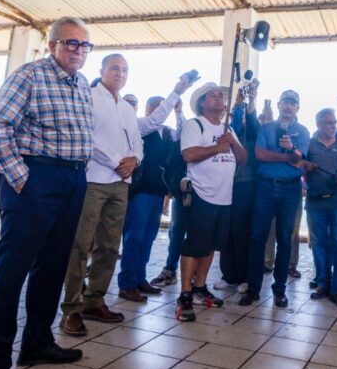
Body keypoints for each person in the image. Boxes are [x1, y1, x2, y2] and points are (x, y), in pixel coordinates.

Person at [0, 17, 94, 369]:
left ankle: (37, 343)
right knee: (11, 271)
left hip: (73, 178)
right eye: (70, 43)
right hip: (36, 176)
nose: (78, 50)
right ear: (52, 44)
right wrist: (23, 179)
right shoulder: (29, 75)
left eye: (84, 45)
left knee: (53, 265)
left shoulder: (82, 85)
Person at [60, 54, 141, 335]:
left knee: (109, 245)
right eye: (114, 68)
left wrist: (135, 161)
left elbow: (137, 141)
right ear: (102, 71)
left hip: (122, 183)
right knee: (80, 245)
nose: (120, 73)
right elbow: (86, 138)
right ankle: (71, 307)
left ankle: (95, 300)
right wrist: (118, 162)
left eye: (125, 69)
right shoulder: (89, 97)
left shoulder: (128, 108)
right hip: (94, 179)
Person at [175, 83, 247, 321]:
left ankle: (200, 288)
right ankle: (185, 294)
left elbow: (243, 158)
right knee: (194, 244)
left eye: (220, 96)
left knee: (211, 246)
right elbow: (189, 155)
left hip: (224, 197)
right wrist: (217, 147)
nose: (219, 98)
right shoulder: (195, 125)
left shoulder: (228, 128)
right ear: (202, 103)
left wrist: (232, 142)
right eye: (213, 96)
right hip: (201, 194)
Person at [117, 75, 193, 300]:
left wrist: (179, 111)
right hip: (140, 191)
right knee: (134, 236)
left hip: (159, 192)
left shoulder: (168, 132)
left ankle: (140, 278)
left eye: (161, 107)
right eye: (154, 107)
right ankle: (127, 282)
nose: (158, 111)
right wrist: (176, 91)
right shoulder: (139, 127)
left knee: (148, 237)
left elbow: (183, 134)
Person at [239, 90, 310, 308]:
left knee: (285, 239)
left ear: (298, 108)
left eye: (293, 103)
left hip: (290, 190)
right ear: (278, 105)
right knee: (258, 238)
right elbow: (260, 154)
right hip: (265, 187)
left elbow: (300, 161)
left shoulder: (303, 131)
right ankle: (253, 289)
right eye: (285, 102)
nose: (288, 106)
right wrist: (287, 157)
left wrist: (292, 151)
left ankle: (279, 290)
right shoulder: (267, 128)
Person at [303, 108, 337, 309]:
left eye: (334, 122)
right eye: (328, 123)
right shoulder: (308, 143)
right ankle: (323, 283)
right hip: (315, 202)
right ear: (318, 124)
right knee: (318, 244)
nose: (333, 126)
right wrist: (304, 164)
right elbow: (298, 164)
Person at [215, 81, 261, 290]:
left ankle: (244, 277)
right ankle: (229, 276)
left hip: (245, 186)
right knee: (226, 231)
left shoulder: (252, 133)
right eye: (236, 112)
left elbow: (251, 121)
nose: (240, 115)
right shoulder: (228, 129)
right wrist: (237, 103)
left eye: (242, 112)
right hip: (226, 184)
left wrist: (251, 99)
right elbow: (233, 120)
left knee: (243, 231)